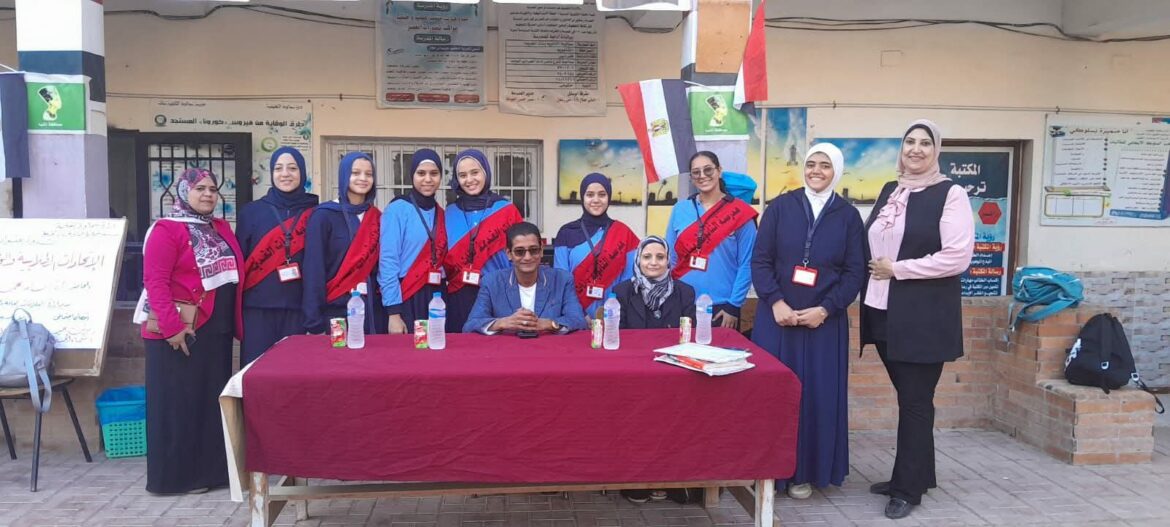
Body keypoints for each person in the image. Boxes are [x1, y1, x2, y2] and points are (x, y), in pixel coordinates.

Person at [861, 119, 974, 520]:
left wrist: (899, 269)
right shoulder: (890, 191)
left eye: (925, 143)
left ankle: (907, 489)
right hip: (884, 312)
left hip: (924, 317)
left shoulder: (951, 194)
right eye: (910, 141)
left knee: (914, 401)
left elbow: (957, 257)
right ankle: (917, 475)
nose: (916, 149)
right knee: (912, 399)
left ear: (936, 150)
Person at [750, 143, 866, 500]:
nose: (816, 171)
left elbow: (855, 272)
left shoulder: (848, 217)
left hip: (823, 325)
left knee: (816, 396)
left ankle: (804, 473)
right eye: (811, 164)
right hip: (777, 320)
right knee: (773, 394)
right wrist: (775, 301)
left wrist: (826, 309)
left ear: (837, 171)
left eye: (825, 166)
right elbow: (760, 261)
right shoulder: (780, 208)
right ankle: (767, 470)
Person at [138, 167, 243, 494]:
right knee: (178, 406)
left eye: (212, 189)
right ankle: (176, 479)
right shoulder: (166, 230)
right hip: (180, 331)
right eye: (200, 188)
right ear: (184, 192)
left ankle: (210, 474)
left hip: (214, 331)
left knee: (208, 404)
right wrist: (172, 328)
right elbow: (155, 282)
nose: (208, 194)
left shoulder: (219, 227)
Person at [236, 146, 319, 364]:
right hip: (257, 310)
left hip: (299, 310)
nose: (285, 174)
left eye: (292, 168)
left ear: (302, 172)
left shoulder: (316, 213)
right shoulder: (251, 212)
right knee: (256, 372)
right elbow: (239, 263)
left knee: (294, 373)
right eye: (278, 168)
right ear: (272, 173)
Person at [665, 151, 758, 329]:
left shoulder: (740, 212)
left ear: (719, 171)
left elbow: (747, 263)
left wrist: (734, 305)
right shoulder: (680, 209)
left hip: (723, 307)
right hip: (681, 303)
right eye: (696, 172)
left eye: (708, 170)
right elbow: (670, 257)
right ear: (691, 178)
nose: (702, 176)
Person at [302, 152, 384, 335]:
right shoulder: (323, 216)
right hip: (335, 310)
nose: (363, 178)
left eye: (369, 174)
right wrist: (313, 321)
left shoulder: (377, 217)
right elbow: (314, 270)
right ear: (344, 175)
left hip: (372, 311)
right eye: (355, 173)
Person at [444, 149, 524, 333]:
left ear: (486, 173)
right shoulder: (449, 213)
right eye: (462, 175)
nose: (469, 180)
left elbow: (520, 253)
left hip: (500, 292)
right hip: (460, 294)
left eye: (475, 172)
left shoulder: (507, 210)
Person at [464, 222, 587, 335]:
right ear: (509, 254)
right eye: (519, 251)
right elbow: (470, 325)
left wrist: (549, 324)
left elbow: (579, 321)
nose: (527, 257)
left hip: (550, 349)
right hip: (506, 350)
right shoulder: (491, 282)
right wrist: (502, 323)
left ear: (541, 251)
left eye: (533, 250)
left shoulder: (562, 280)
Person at [553, 173, 639, 321]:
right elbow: (561, 280)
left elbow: (629, 280)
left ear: (609, 197)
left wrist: (612, 311)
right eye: (590, 195)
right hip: (575, 317)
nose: (596, 200)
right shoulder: (566, 233)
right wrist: (579, 314)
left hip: (614, 316)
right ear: (582, 197)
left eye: (602, 194)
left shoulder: (624, 233)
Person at [379, 149, 448, 333]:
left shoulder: (441, 213)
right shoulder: (397, 210)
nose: (428, 179)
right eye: (421, 173)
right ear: (412, 176)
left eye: (434, 173)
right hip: (407, 294)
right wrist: (394, 313)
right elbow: (388, 261)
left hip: (437, 295)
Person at [613, 236, 696, 330]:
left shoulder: (685, 292)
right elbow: (618, 334)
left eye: (660, 257)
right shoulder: (622, 292)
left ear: (668, 261)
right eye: (647, 257)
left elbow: (690, 333)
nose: (653, 262)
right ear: (638, 260)